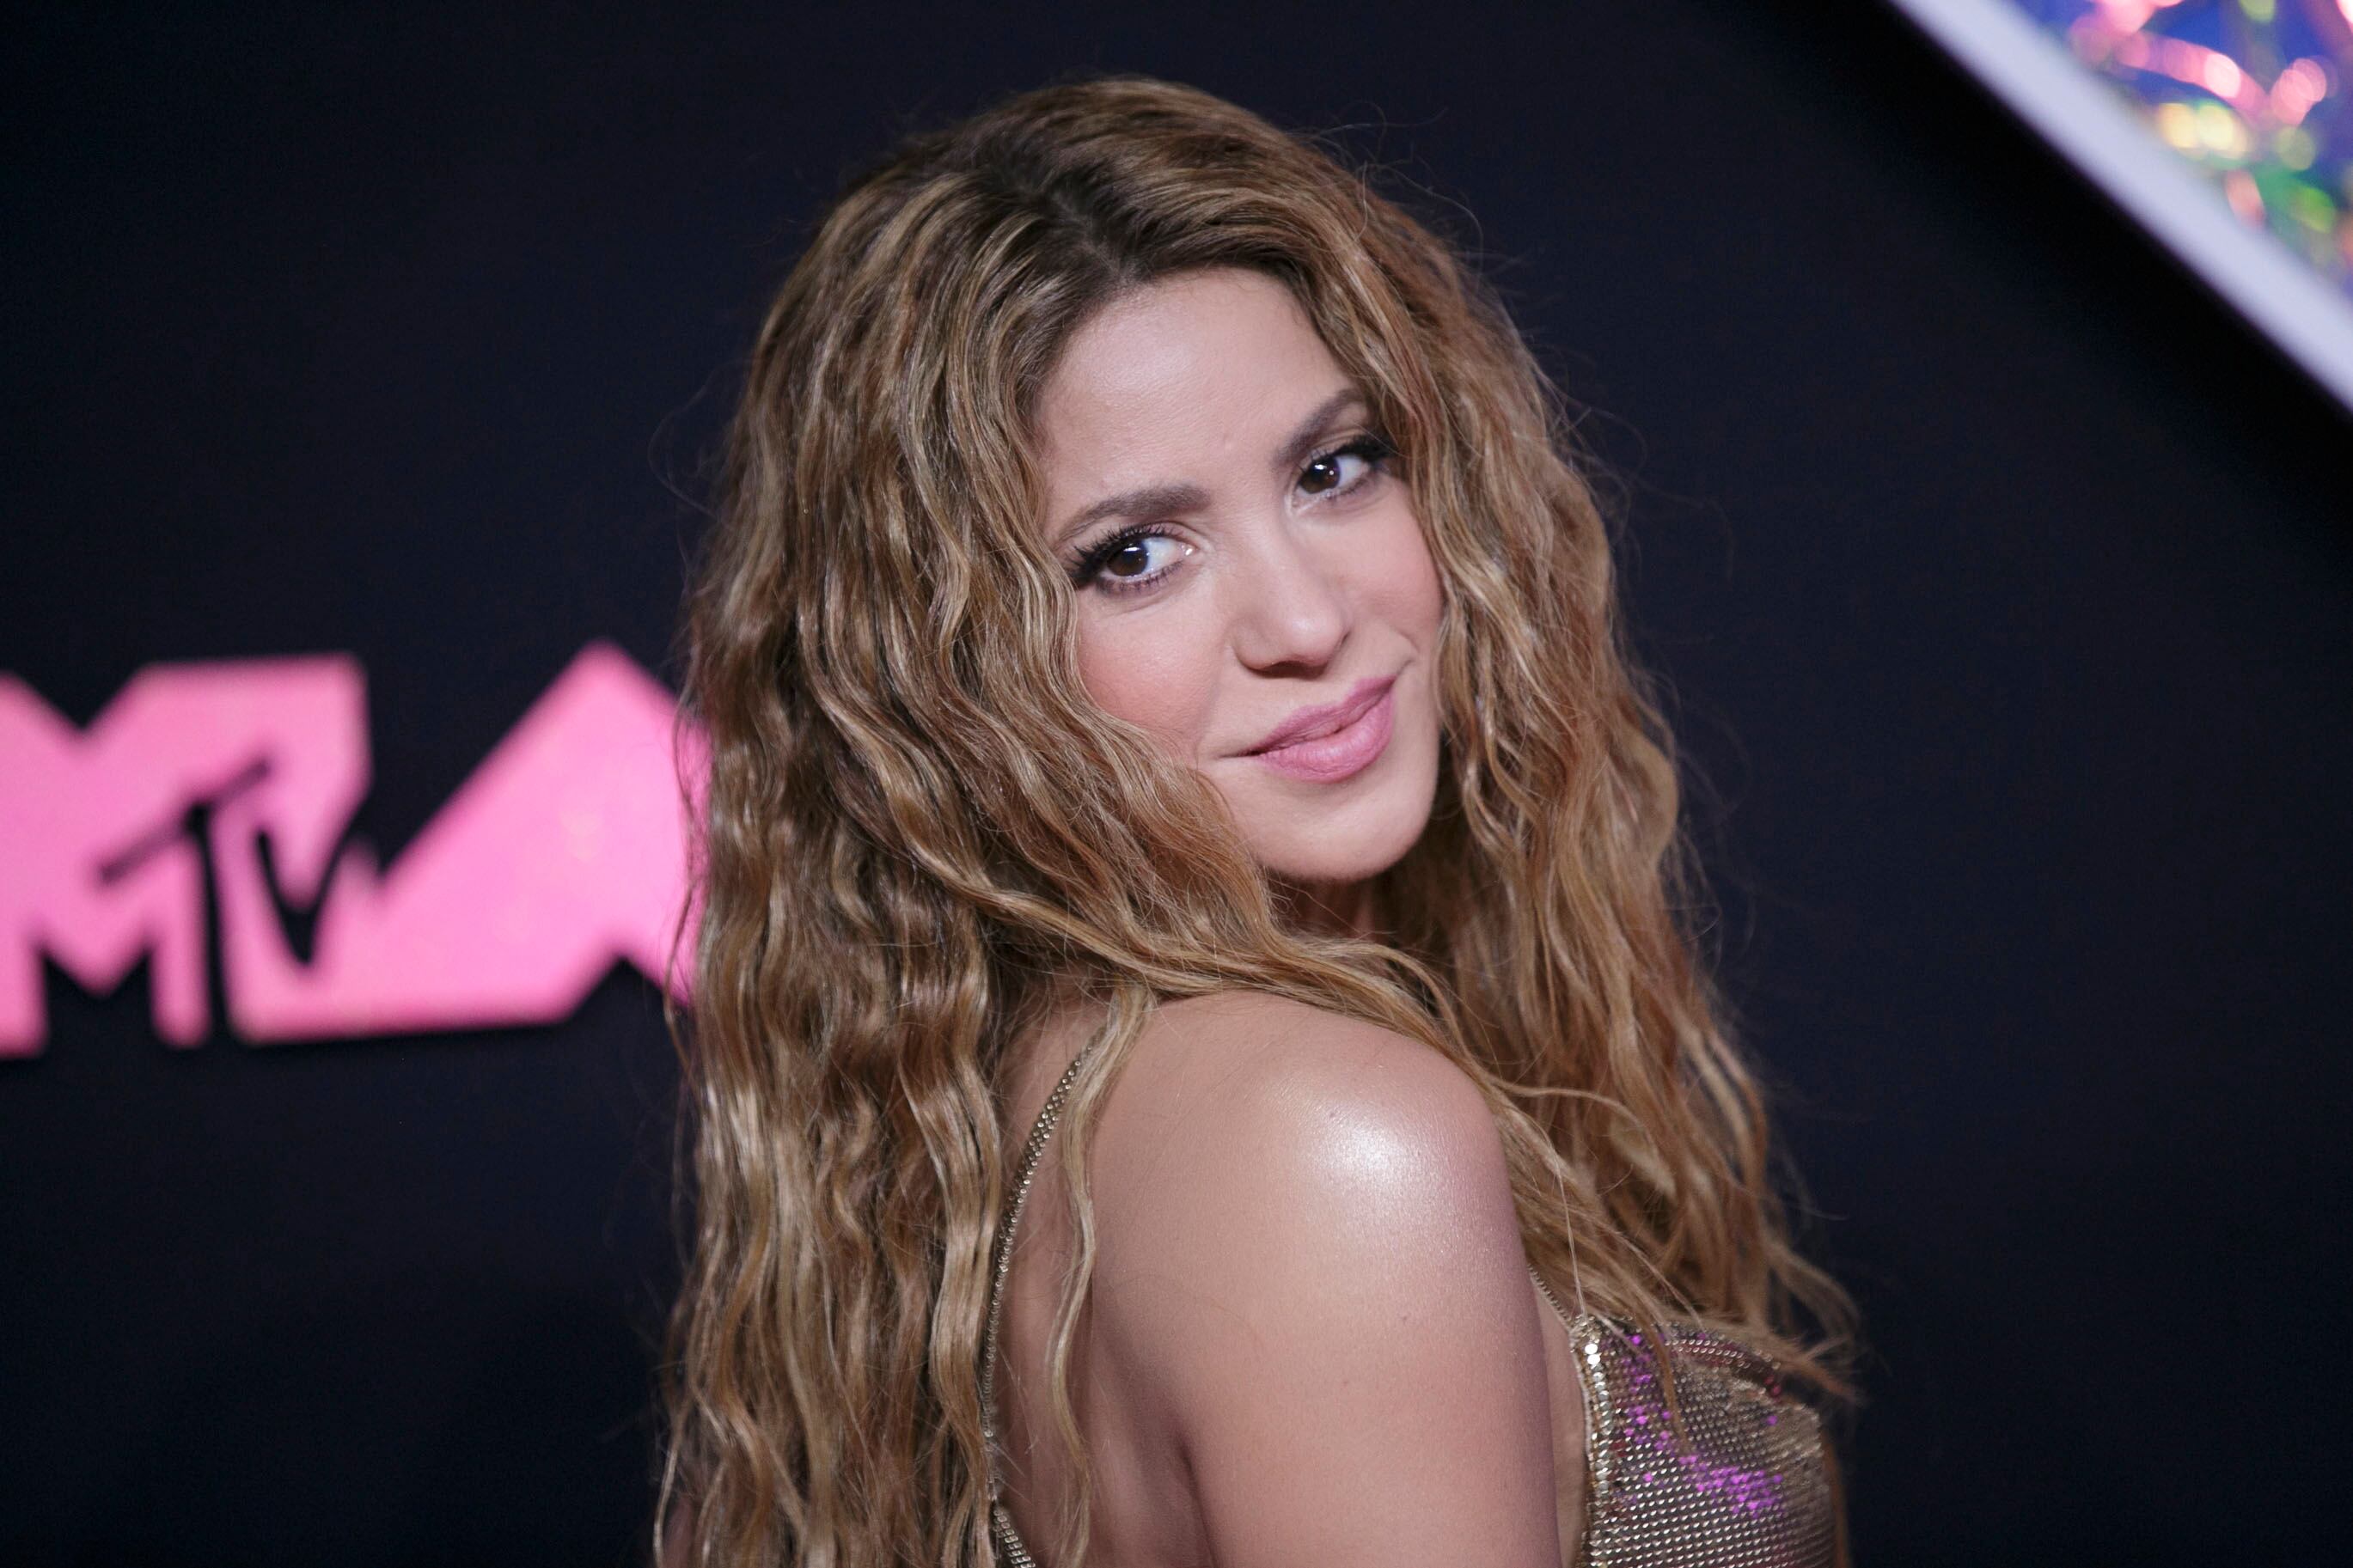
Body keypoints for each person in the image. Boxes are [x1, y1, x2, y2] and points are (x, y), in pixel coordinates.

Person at [657, 74, 1855, 1568]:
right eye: (1136, 555)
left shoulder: (1001, 1128)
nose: (1303, 619)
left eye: (1330, 469)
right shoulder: (1323, 1144)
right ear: (943, 676)